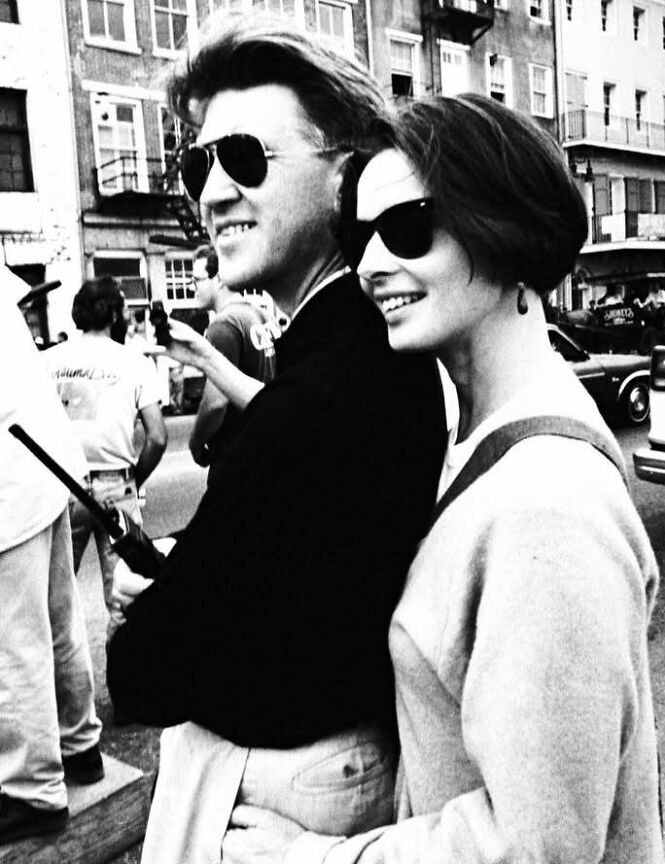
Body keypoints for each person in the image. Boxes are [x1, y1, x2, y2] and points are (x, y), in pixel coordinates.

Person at [228, 94, 664, 863]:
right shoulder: (483, 428)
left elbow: (541, 848)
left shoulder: (545, 507)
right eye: (361, 236)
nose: (370, 265)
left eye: (408, 229)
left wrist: (308, 858)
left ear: (510, 233)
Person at [105, 14, 447, 864]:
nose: (212, 190)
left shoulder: (321, 394)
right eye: (198, 163)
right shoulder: (370, 347)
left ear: (347, 175)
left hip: (283, 786)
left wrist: (149, 610)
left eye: (248, 159)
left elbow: (147, 671)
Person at [0, 267, 103, 845]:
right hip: (40, 460)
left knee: (13, 644)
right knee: (59, 621)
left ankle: (31, 789)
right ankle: (80, 746)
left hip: (7, 478)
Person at [44, 276, 167, 625]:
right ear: (115, 315)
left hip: (62, 485)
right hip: (117, 489)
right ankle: (124, 675)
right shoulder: (135, 362)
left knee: (56, 601)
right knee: (126, 598)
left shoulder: (48, 362)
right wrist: (133, 482)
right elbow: (157, 437)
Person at [188, 243, 276, 477]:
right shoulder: (261, 315)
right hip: (266, 445)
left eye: (196, 279)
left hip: (235, 454)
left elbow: (216, 403)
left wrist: (195, 443)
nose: (192, 287)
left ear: (218, 279)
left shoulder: (223, 325)